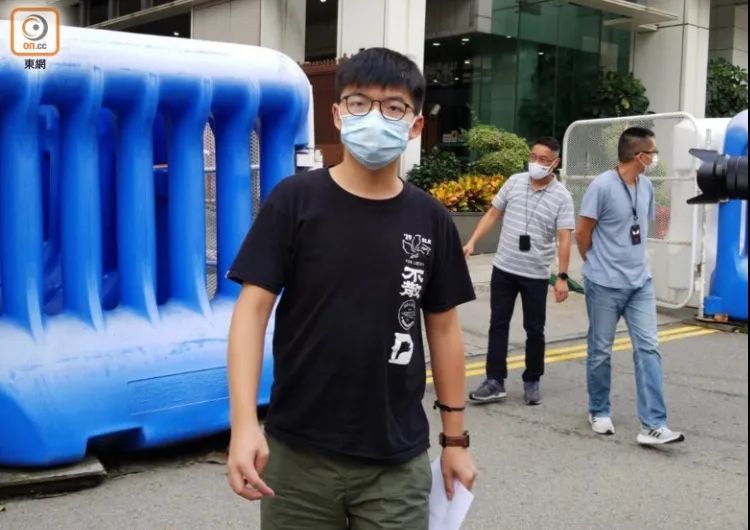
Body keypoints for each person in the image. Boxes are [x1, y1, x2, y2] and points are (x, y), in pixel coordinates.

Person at [225, 48, 478, 529]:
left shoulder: (431, 218)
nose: (375, 117)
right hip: (297, 456)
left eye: (394, 107)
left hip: (395, 462)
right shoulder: (295, 201)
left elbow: (444, 331)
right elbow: (251, 312)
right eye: (360, 103)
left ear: (415, 126)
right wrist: (243, 424)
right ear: (339, 115)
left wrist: (455, 440)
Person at [576, 126, 685, 445]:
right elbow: (583, 232)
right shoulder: (601, 187)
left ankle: (654, 424)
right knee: (600, 350)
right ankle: (598, 410)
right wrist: (594, 263)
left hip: (640, 283)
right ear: (639, 156)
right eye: (653, 152)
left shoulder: (646, 185)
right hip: (604, 283)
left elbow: (639, 225)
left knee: (648, 348)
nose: (655, 157)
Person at [465, 137, 575, 406]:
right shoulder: (514, 182)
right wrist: (472, 241)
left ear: (555, 163)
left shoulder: (562, 196)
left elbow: (564, 239)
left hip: (535, 274)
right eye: (533, 157)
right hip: (504, 268)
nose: (536, 163)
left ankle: (532, 379)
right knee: (498, 324)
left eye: (543, 160)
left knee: (534, 329)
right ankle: (494, 381)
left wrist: (562, 277)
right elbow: (493, 214)